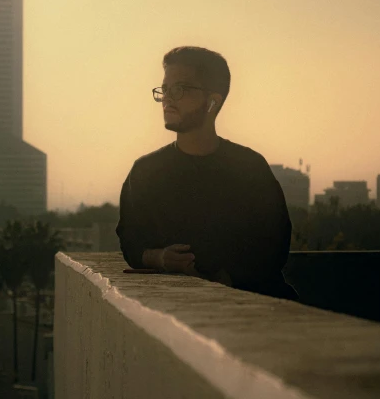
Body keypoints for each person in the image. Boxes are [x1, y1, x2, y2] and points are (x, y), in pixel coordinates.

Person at [116, 46, 298, 300]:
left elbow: (275, 246)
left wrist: (224, 281)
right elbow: (131, 241)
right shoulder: (145, 171)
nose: (168, 98)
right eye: (165, 90)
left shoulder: (249, 167)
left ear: (213, 101)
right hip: (178, 313)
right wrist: (162, 258)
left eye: (180, 89)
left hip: (255, 311)